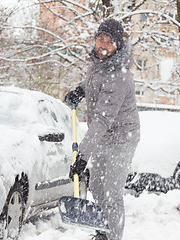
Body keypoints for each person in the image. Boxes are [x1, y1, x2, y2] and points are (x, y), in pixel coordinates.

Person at [65, 19, 140, 240]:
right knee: (97, 187)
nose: (104, 45)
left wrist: (82, 157)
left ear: (118, 46)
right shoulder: (98, 63)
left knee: (112, 192)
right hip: (104, 137)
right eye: (101, 39)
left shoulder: (120, 76)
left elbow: (101, 120)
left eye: (109, 42)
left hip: (122, 138)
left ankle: (113, 236)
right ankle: (103, 231)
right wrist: (80, 90)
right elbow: (94, 81)